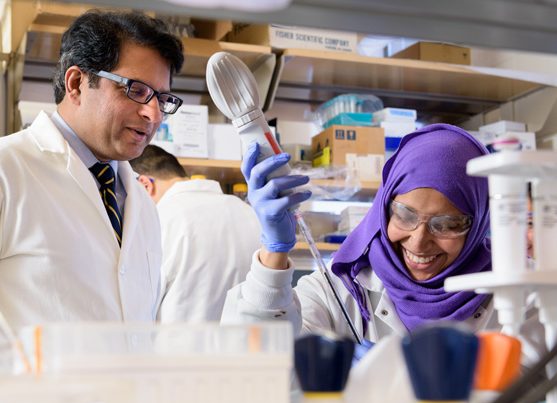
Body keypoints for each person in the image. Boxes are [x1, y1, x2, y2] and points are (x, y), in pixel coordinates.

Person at [222, 124, 545, 364]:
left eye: (447, 224)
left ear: (478, 224)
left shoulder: (524, 292)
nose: (419, 241)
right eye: (404, 215)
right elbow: (257, 365)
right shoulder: (341, 288)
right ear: (384, 206)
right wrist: (273, 255)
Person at [0, 10, 184, 333]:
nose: (153, 114)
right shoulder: (8, 170)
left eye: (162, 98)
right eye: (137, 90)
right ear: (76, 84)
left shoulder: (142, 204)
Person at [130, 145, 261, 322]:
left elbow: (139, 309)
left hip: (176, 347)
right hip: (247, 347)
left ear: (145, 185)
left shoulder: (159, 219)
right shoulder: (249, 213)